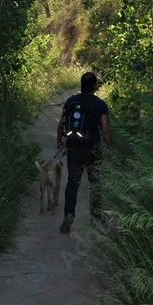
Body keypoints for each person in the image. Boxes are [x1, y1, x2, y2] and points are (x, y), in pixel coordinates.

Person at [57, 71, 112, 233]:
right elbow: (106, 129)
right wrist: (110, 147)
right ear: (95, 86)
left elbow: (61, 123)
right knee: (95, 184)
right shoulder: (100, 105)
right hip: (93, 151)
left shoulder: (71, 101)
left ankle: (69, 214)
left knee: (73, 183)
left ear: (81, 85)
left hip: (74, 149)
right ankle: (95, 219)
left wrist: (59, 141)